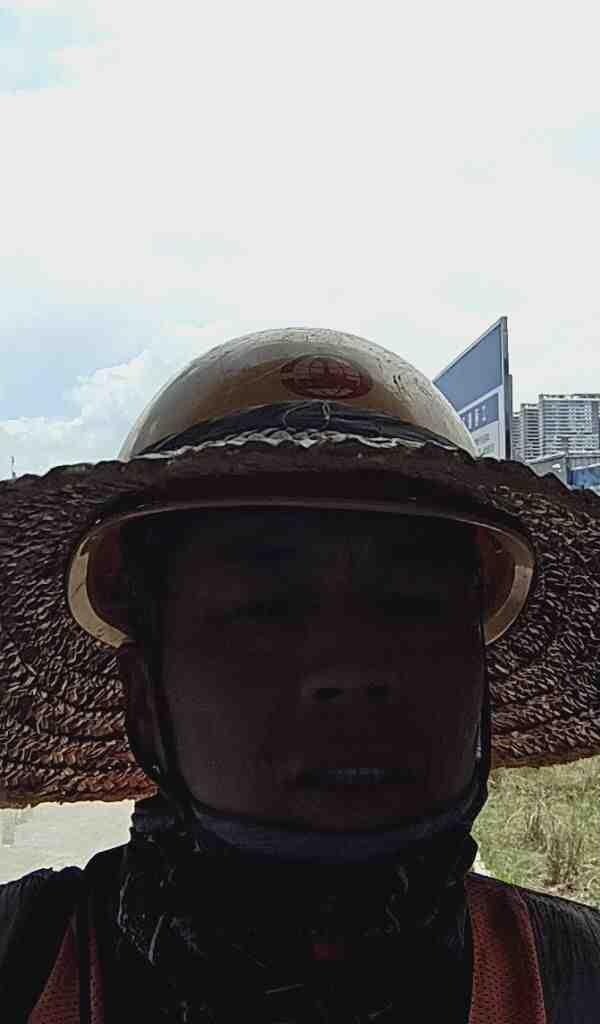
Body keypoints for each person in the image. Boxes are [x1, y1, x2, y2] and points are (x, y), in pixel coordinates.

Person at [0, 327, 599, 1022]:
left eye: (410, 603)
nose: (351, 668)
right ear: (143, 697)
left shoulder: (573, 978)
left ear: (479, 669)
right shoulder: (26, 964)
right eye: (264, 608)